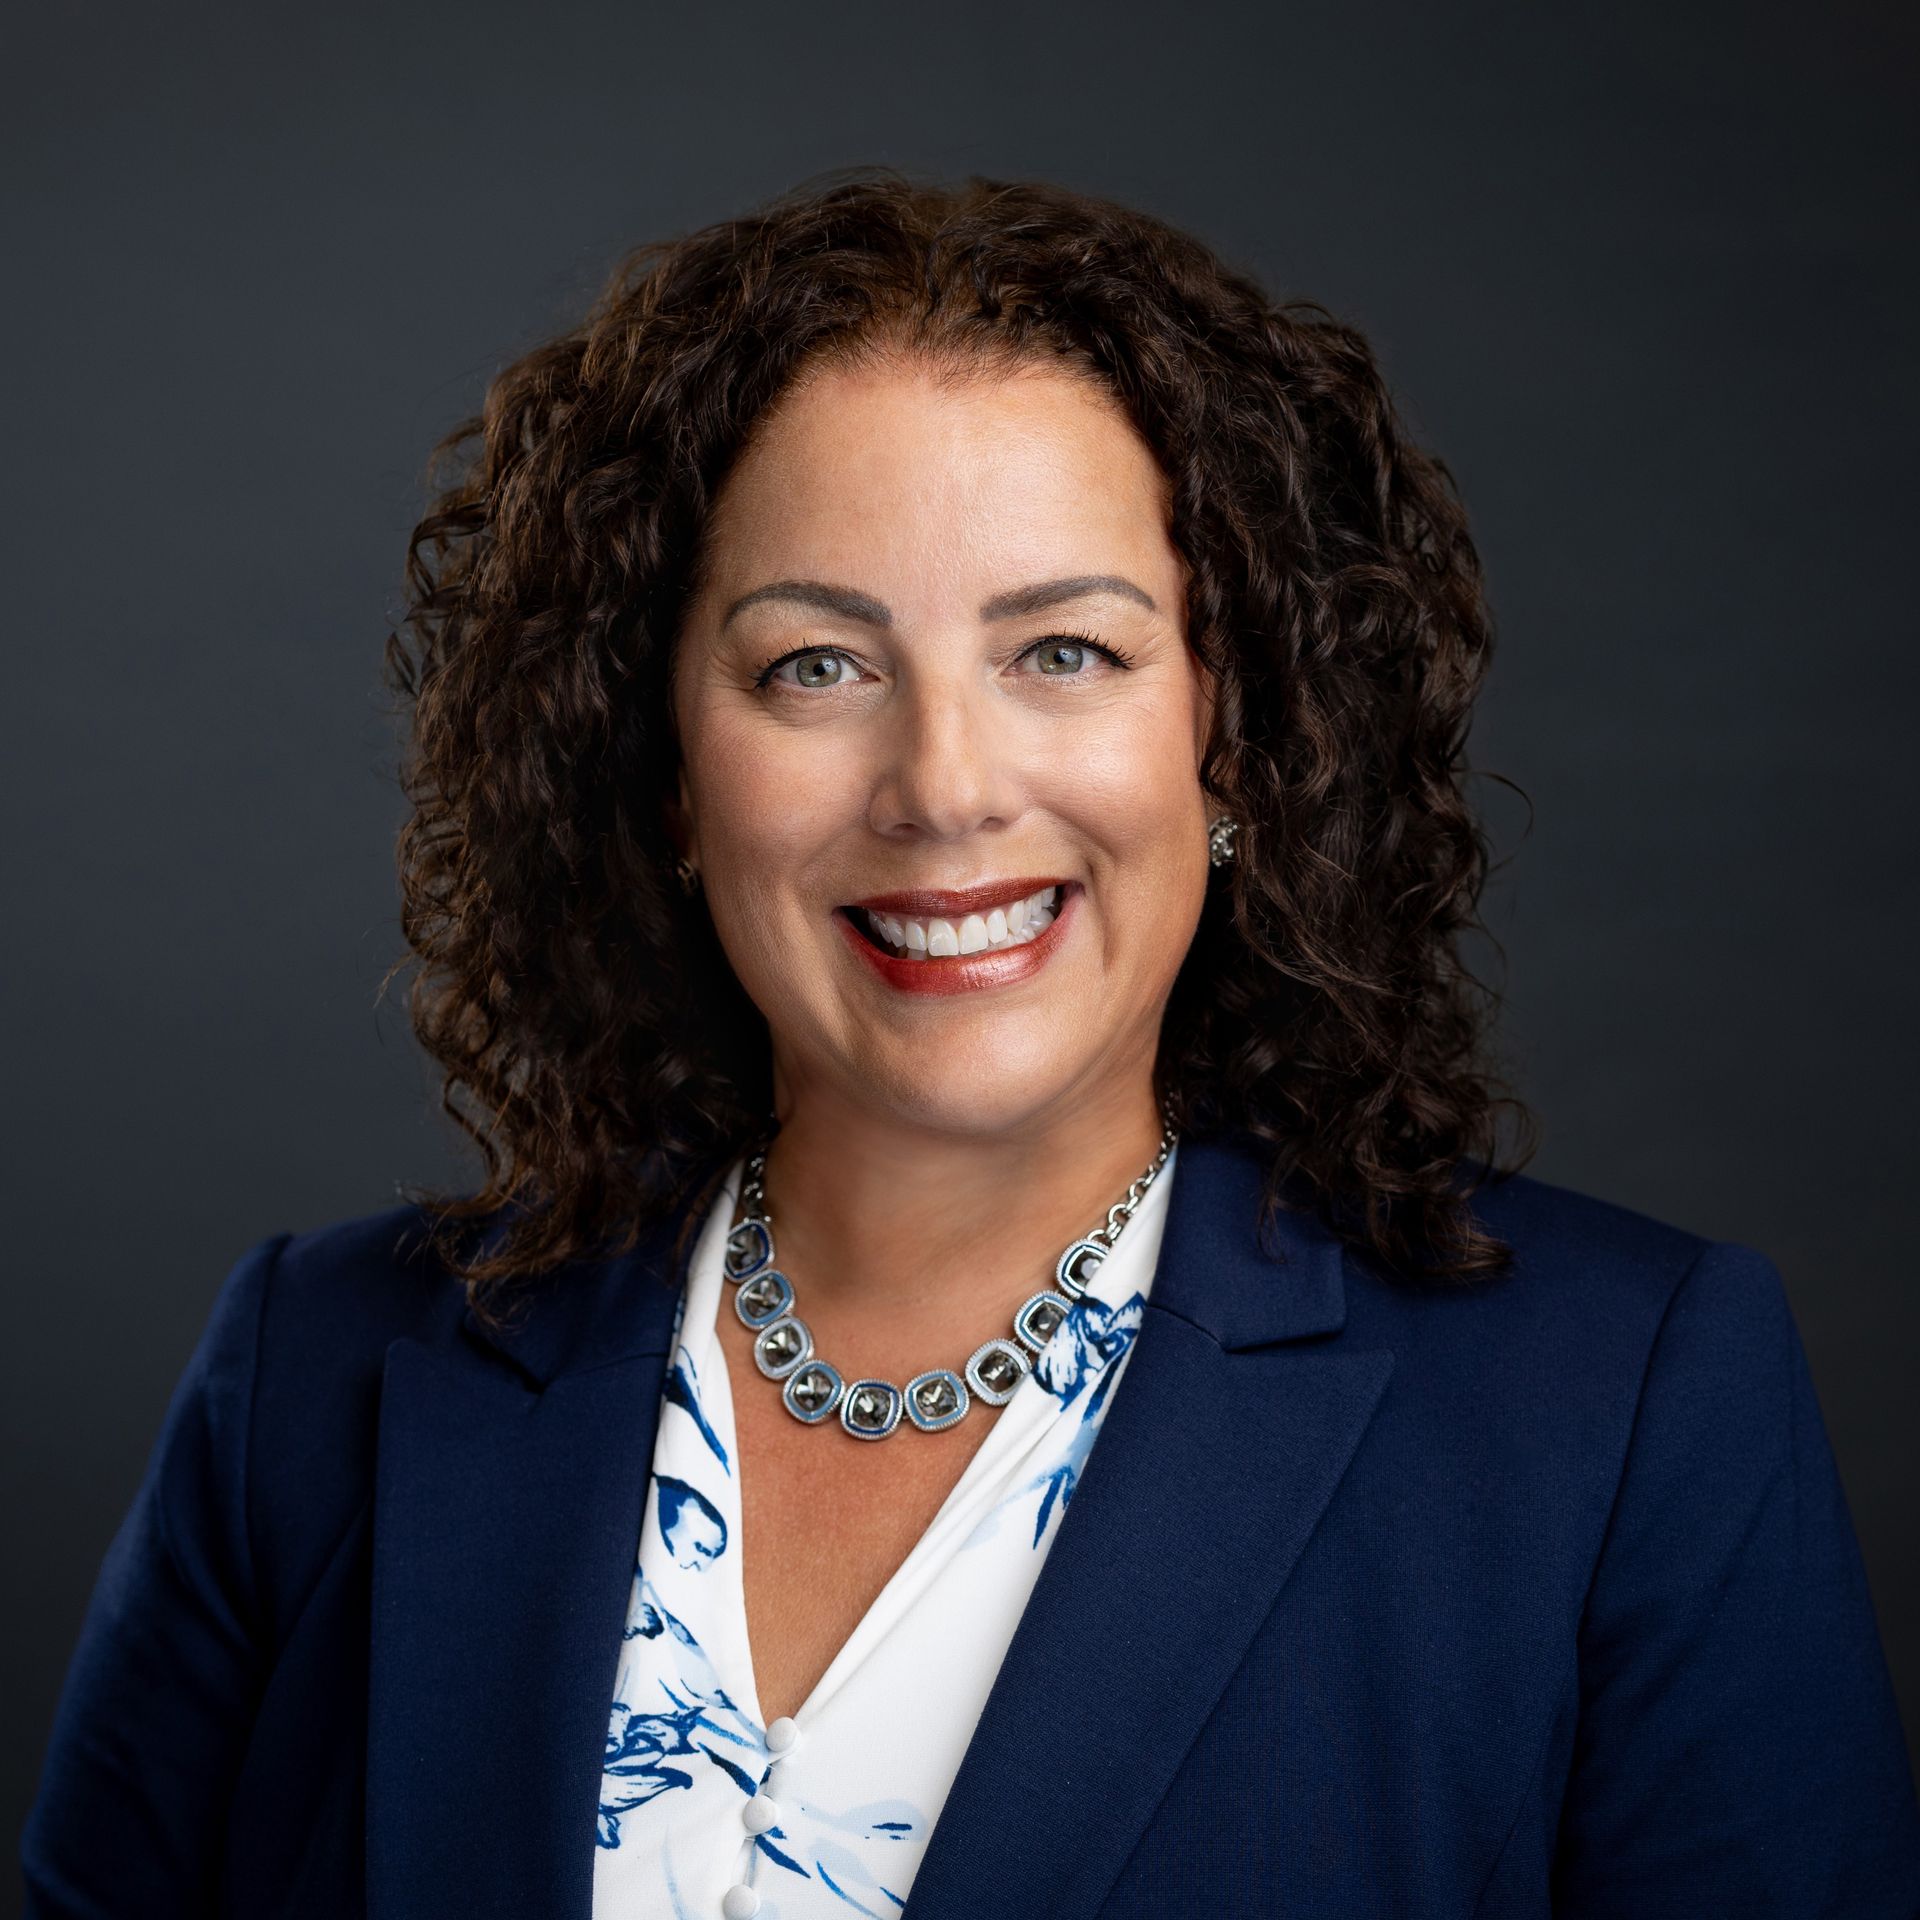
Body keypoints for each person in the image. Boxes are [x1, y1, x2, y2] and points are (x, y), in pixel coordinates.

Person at [22, 169, 1920, 1919]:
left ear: (1233, 738)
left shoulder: (1621, 1412)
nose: (942, 789)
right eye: (815, 666)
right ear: (667, 767)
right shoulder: (313, 1383)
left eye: (1066, 652)